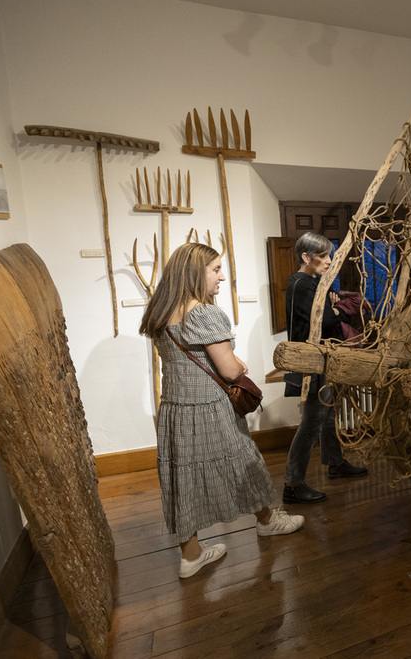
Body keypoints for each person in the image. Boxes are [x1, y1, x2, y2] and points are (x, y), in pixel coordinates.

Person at [140, 243, 304, 579]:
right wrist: (240, 362)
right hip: (210, 408)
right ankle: (268, 521)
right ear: (194, 272)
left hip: (175, 409)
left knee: (181, 477)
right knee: (245, 462)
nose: (222, 276)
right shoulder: (203, 313)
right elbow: (229, 371)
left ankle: (191, 555)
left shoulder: (159, 311)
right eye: (215, 269)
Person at [282, 233, 368, 506]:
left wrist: (333, 306)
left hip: (321, 359)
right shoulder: (304, 284)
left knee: (328, 414)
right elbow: (328, 321)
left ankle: (335, 462)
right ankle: (292, 483)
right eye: (323, 257)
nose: (330, 261)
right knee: (311, 422)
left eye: (330, 255)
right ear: (306, 258)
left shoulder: (308, 283)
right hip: (312, 361)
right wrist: (340, 311)